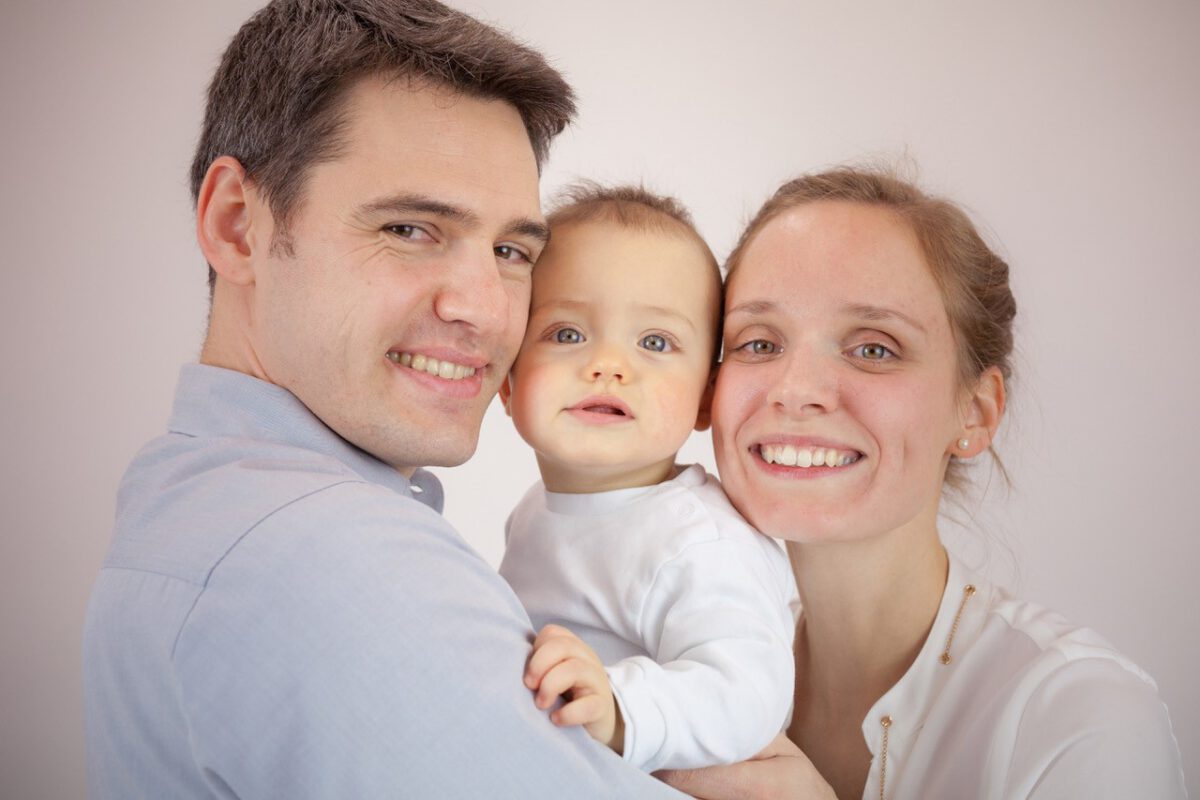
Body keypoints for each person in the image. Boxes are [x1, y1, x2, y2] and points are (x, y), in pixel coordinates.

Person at [81, 2, 686, 797]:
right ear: (237, 225)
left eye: (510, 250)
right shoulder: (335, 559)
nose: (487, 309)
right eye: (409, 229)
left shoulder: (185, 499)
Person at [659, 167, 1187, 799]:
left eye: (874, 348)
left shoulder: (1083, 719)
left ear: (976, 412)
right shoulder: (669, 674)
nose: (795, 390)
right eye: (758, 342)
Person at [496, 185, 798, 772]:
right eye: (567, 334)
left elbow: (748, 693)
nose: (609, 365)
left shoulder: (696, 540)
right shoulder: (535, 512)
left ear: (708, 397)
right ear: (507, 380)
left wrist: (619, 706)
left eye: (655, 342)